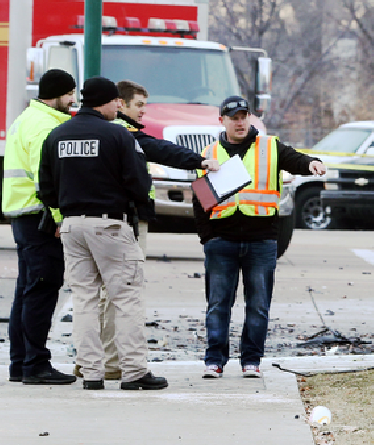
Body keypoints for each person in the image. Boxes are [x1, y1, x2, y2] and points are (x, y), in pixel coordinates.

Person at [74, 79, 221, 381]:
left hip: (82, 223)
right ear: (120, 103)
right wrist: (200, 161)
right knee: (121, 295)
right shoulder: (122, 133)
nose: (143, 111)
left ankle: (89, 363)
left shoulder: (79, 132)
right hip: (121, 222)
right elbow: (160, 151)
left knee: (93, 297)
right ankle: (112, 363)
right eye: (138, 105)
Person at [39, 76, 167, 391]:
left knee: (84, 299)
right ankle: (134, 372)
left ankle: (91, 374)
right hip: (110, 225)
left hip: (72, 226)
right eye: (116, 103)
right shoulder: (117, 135)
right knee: (126, 298)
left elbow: (46, 188)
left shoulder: (57, 135)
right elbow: (139, 183)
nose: (118, 109)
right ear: (107, 102)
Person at [195, 96, 325, 378]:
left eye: (244, 116)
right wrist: (208, 238)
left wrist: (313, 163)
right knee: (218, 305)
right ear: (222, 121)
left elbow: (296, 160)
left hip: (261, 241)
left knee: (258, 306)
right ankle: (214, 360)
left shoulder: (270, 147)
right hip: (222, 241)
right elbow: (200, 199)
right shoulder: (209, 152)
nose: (240, 122)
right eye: (234, 118)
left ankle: (251, 361)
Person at [4, 69, 77, 385]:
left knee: (27, 289)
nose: (72, 100)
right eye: (70, 94)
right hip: (40, 217)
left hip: (24, 214)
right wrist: (59, 218)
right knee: (42, 289)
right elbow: (45, 179)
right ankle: (35, 364)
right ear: (58, 94)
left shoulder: (26, 119)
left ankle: (20, 362)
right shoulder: (45, 126)